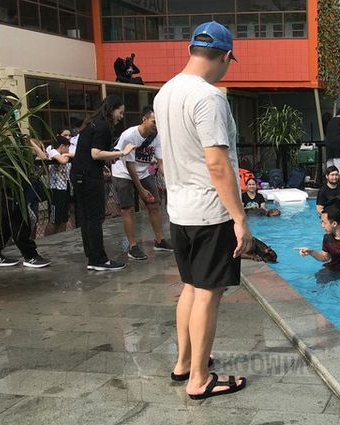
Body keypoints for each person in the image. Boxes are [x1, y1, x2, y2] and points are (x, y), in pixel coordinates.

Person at [154, 21, 253, 400]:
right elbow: (217, 164)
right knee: (208, 294)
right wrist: (240, 219)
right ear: (226, 55)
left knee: (191, 288)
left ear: (192, 49)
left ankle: (183, 364)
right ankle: (199, 378)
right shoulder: (209, 97)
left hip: (179, 210)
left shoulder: (164, 93)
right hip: (211, 213)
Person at [71, 94, 135, 271]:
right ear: (112, 110)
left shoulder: (90, 123)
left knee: (86, 218)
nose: (121, 116)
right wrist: (122, 152)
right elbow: (96, 153)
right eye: (120, 112)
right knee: (95, 218)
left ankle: (92, 257)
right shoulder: (103, 126)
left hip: (78, 175)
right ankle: (99, 259)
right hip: (90, 177)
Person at [0, 90, 51, 269]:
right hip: (4, 181)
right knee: (17, 217)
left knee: (6, 220)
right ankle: (30, 254)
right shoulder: (1, 128)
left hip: (15, 181)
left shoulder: (13, 128)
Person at [112, 106, 173, 261]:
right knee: (128, 208)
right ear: (144, 119)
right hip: (123, 172)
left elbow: (160, 163)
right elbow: (129, 165)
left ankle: (160, 240)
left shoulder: (156, 136)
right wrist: (141, 190)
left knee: (154, 204)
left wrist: (170, 181)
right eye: (153, 121)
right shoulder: (130, 135)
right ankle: (133, 246)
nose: (155, 125)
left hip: (144, 171)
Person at [45, 135, 73, 234]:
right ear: (62, 146)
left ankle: (62, 237)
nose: (68, 149)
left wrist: (67, 155)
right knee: (54, 219)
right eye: (67, 147)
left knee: (63, 218)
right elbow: (62, 160)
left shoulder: (64, 154)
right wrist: (67, 156)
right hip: (56, 189)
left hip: (65, 187)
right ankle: (48, 239)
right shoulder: (53, 151)